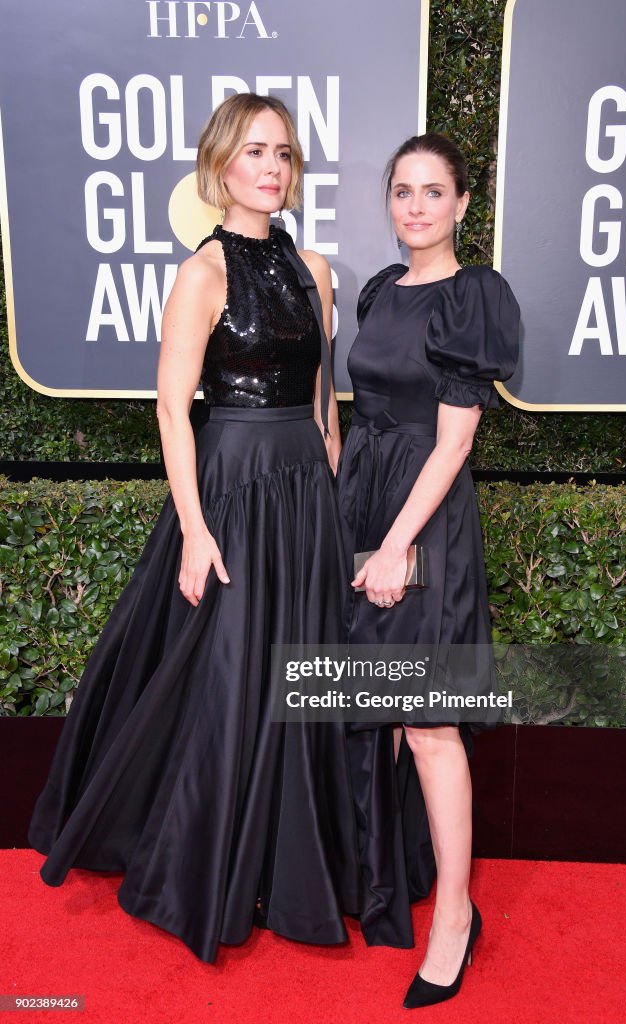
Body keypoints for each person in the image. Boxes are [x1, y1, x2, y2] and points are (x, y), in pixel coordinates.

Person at [28, 92, 365, 964]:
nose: (272, 167)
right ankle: (206, 859)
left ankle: (292, 859)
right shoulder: (203, 273)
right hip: (235, 484)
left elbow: (326, 398)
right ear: (220, 165)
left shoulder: (316, 268)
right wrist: (194, 528)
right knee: (228, 669)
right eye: (255, 151)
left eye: (284, 153)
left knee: (301, 662)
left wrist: (330, 490)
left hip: (300, 487)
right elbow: (173, 411)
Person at [335, 133, 520, 1008]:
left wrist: (398, 544)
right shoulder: (378, 289)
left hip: (424, 522)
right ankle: (386, 878)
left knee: (428, 724)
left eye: (432, 192)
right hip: (364, 505)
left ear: (460, 204)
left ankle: (454, 916)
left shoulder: (474, 295)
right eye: (402, 191)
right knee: (379, 715)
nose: (415, 206)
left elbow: (451, 443)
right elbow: (357, 408)